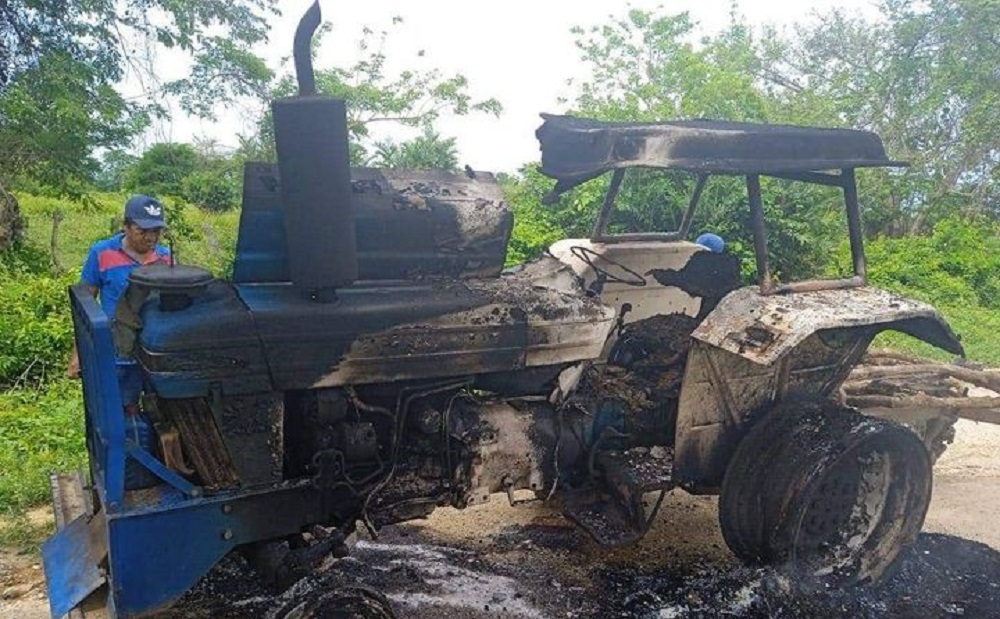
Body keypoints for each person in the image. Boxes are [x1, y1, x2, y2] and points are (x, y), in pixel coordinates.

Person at [66, 195, 171, 397]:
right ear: (125, 226)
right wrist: (78, 353)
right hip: (115, 353)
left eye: (156, 231)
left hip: (154, 353)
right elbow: (84, 307)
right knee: (117, 409)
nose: (151, 238)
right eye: (143, 231)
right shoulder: (102, 253)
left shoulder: (166, 257)